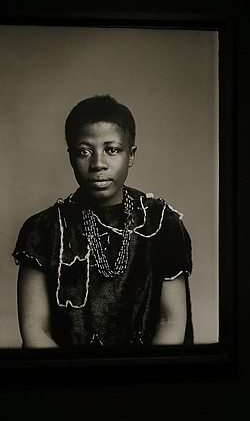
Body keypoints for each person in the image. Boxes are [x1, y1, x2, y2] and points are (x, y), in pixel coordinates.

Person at [13, 95, 193, 348]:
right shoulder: (43, 229)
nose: (98, 164)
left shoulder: (161, 223)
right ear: (71, 157)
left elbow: (170, 321)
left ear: (130, 155)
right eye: (84, 152)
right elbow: (35, 329)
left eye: (112, 150)